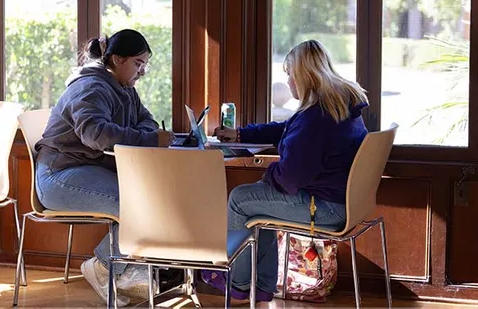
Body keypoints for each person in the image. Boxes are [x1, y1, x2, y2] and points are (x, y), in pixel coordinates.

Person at [203, 39, 369, 302]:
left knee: (239, 199)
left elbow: (290, 179)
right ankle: (261, 287)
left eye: (290, 74)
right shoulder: (336, 105)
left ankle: (238, 282)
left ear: (302, 76)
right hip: (339, 202)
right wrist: (240, 134)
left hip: (324, 209)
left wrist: (267, 175)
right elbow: (286, 128)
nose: (289, 81)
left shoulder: (317, 118)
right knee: (258, 203)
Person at [34, 29, 174, 306]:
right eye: (138, 64)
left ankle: (122, 271)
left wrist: (147, 133)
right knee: (137, 202)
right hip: (59, 175)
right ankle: (103, 267)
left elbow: (147, 121)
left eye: (144, 65)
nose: (142, 72)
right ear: (118, 59)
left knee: (153, 196)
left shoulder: (125, 89)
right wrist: (148, 138)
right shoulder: (90, 88)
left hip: (87, 170)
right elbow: (95, 134)